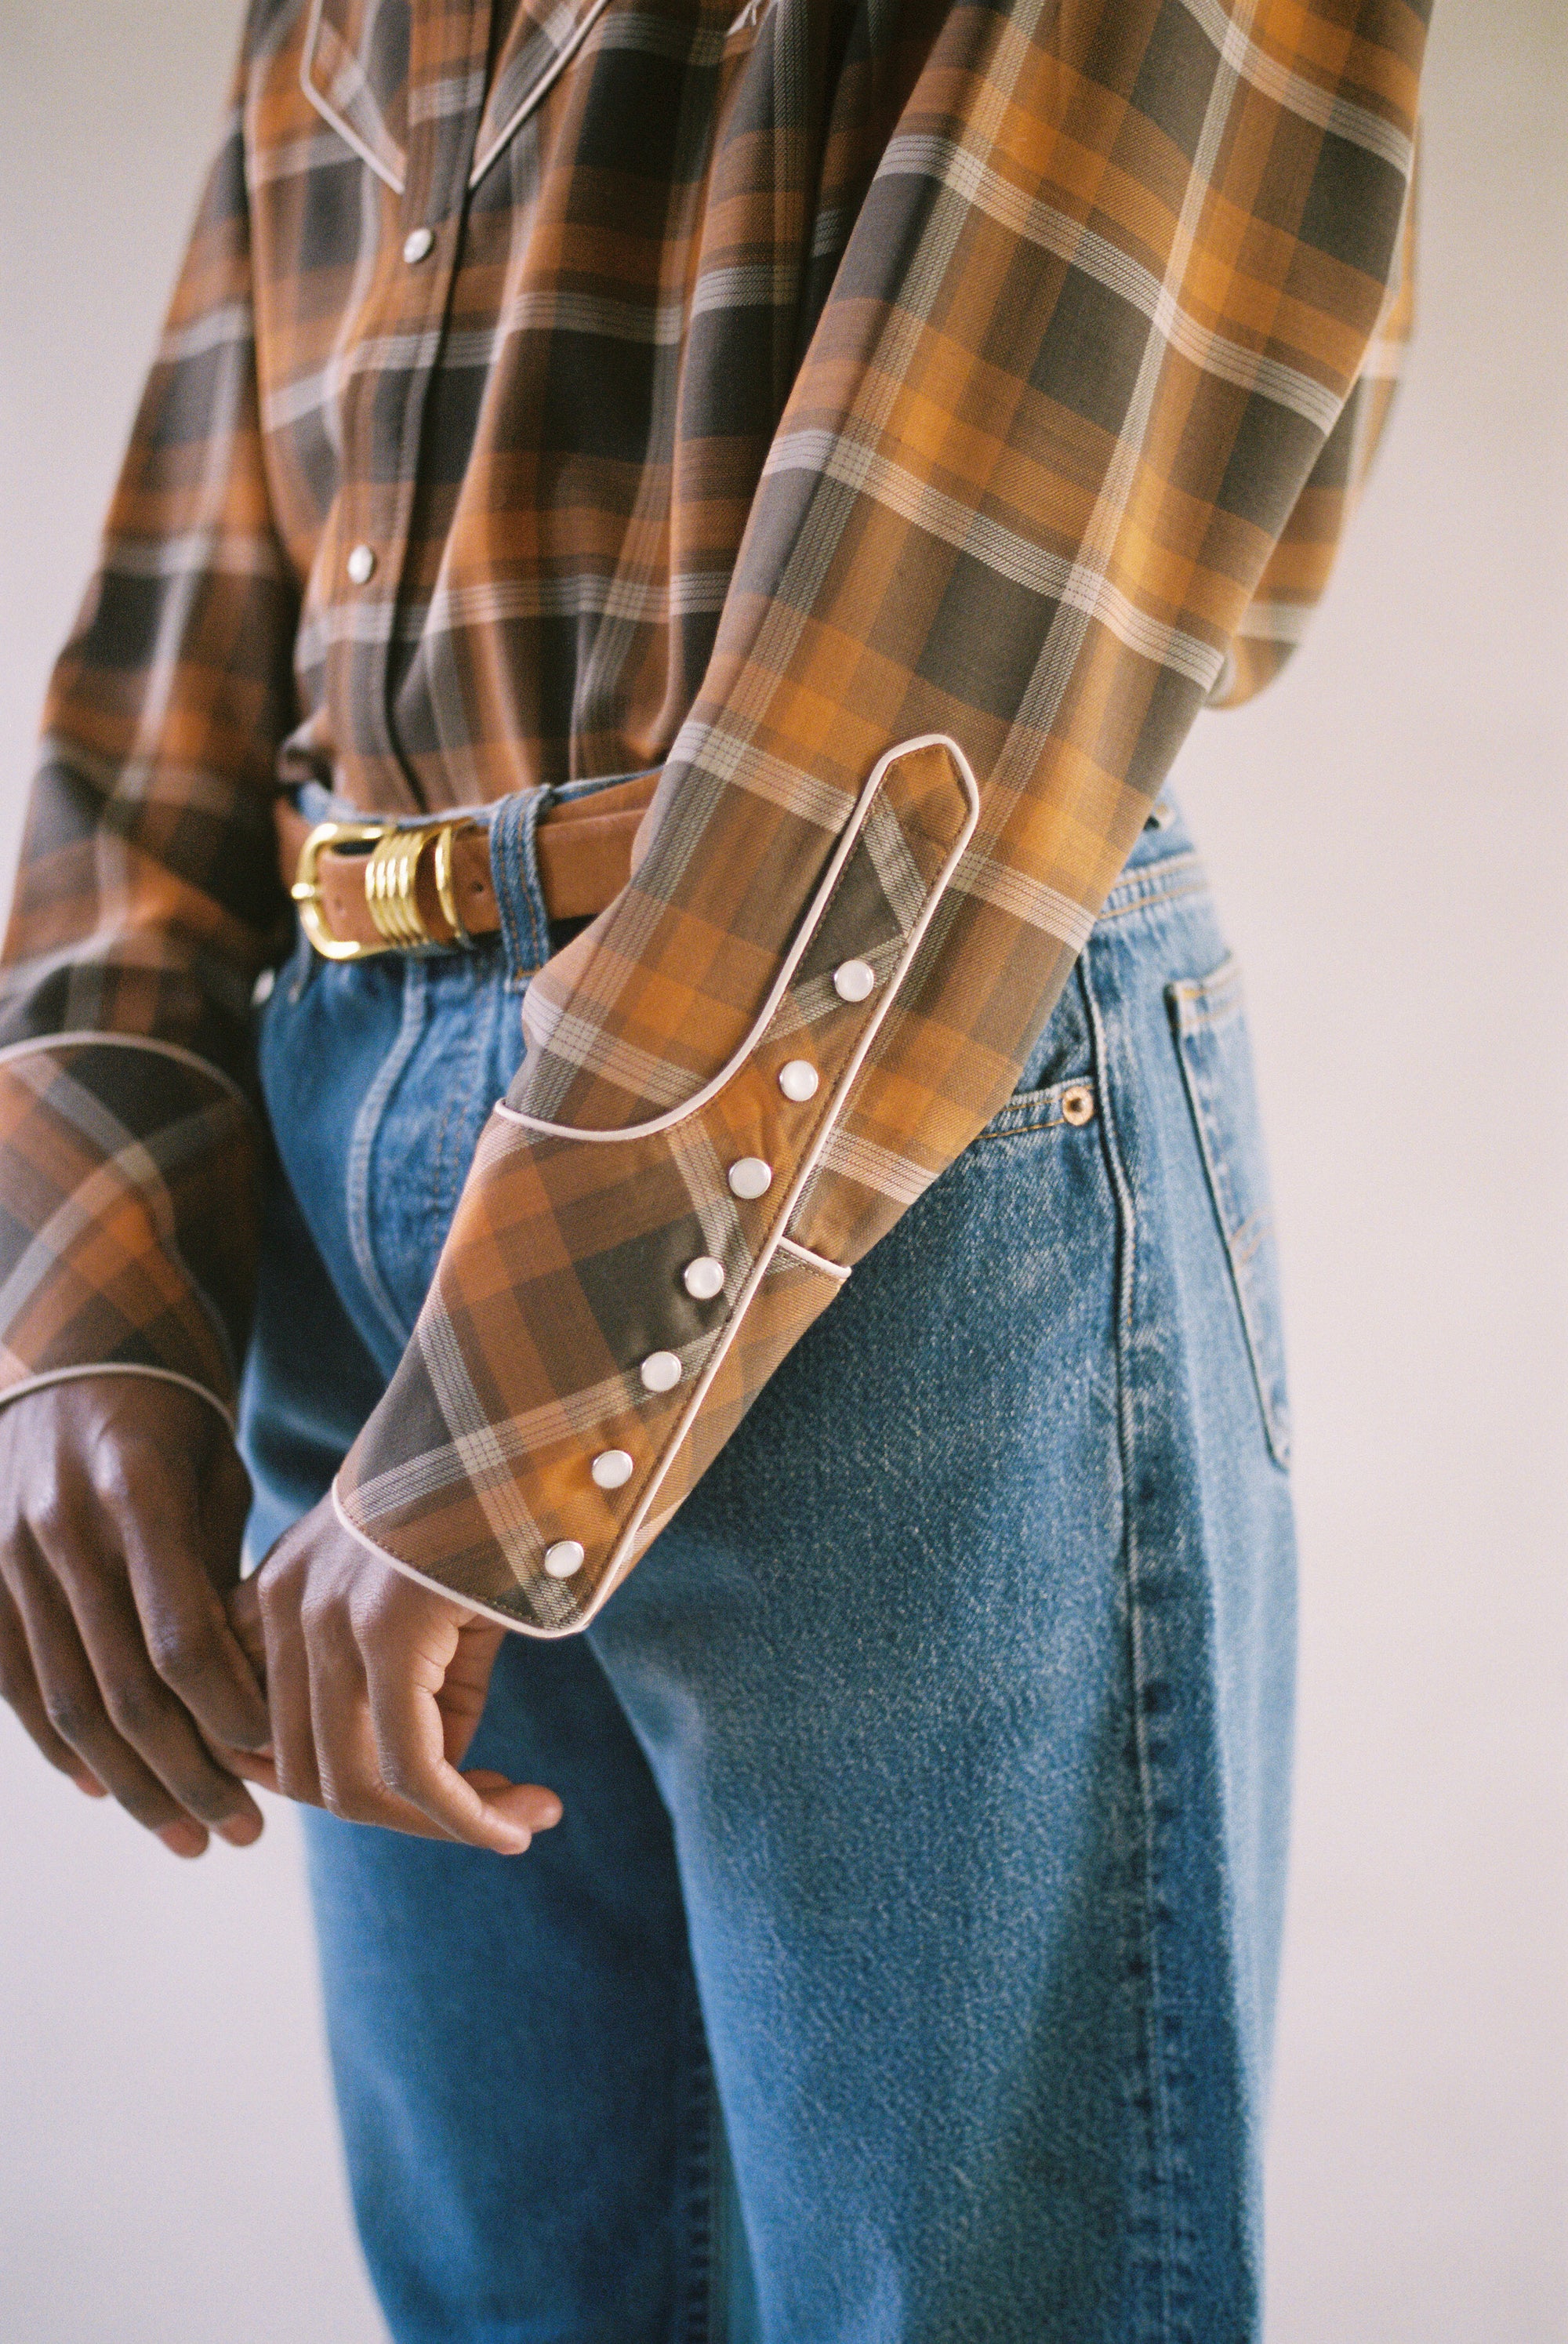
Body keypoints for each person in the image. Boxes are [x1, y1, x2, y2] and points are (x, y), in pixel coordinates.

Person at [0, 0, 1425, 2335]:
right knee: (516, 2306)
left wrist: (511, 1409)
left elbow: (968, 611)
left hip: (889, 1094)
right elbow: (163, 658)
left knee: (970, 2302)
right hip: (345, 1082)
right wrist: (75, 1293)